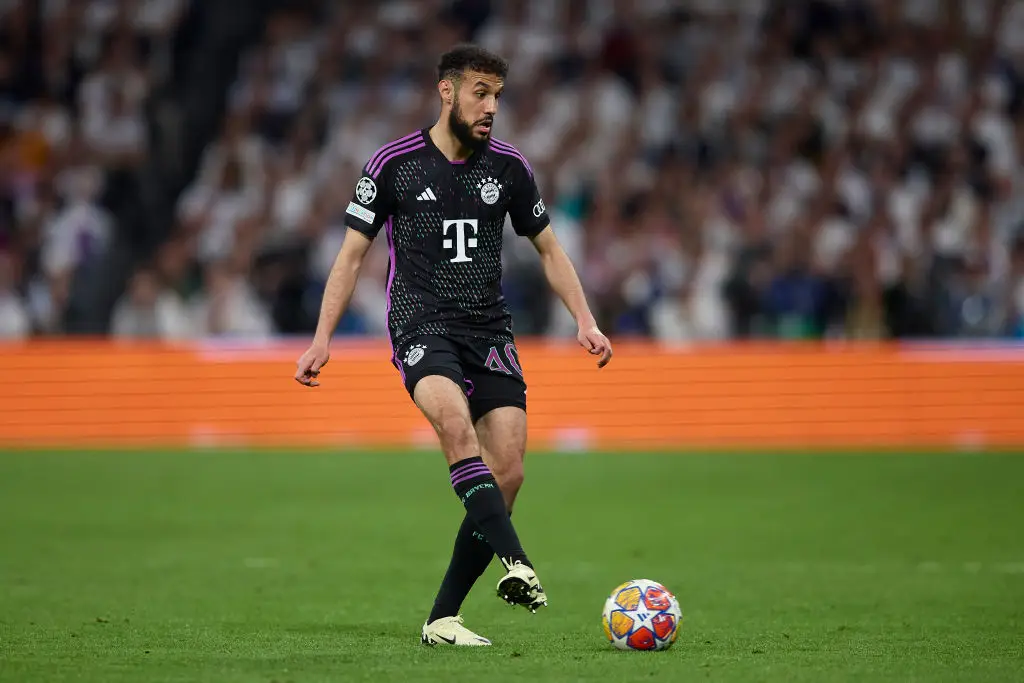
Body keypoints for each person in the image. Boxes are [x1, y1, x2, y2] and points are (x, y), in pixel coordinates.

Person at [294, 44, 613, 646]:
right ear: (447, 91)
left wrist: (585, 320)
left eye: (497, 96)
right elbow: (352, 254)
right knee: (455, 429)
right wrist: (321, 339)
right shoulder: (393, 164)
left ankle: (442, 618)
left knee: (509, 472)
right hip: (421, 323)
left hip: (488, 330)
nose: (491, 107)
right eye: (480, 93)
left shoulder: (510, 168)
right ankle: (519, 562)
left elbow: (549, 249)